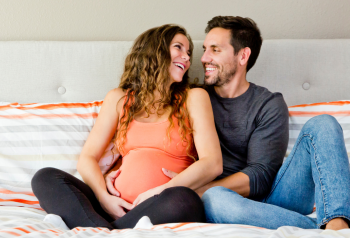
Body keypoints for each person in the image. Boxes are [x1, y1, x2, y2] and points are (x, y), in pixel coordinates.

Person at [158, 16, 350, 230]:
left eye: (215, 50)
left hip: (277, 196)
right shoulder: (194, 99)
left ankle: (338, 223)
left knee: (323, 124)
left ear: (243, 56)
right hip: (224, 203)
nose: (204, 58)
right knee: (216, 199)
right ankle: (319, 229)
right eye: (205, 49)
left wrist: (201, 190)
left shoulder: (268, 103)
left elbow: (261, 174)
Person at [31, 24, 222, 230]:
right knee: (45, 177)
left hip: (163, 204)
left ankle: (100, 230)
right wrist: (104, 197)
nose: (186, 57)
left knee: (184, 199)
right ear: (154, 51)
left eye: (189, 52)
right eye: (179, 48)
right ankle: (109, 229)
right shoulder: (119, 99)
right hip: (113, 205)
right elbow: (87, 158)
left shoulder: (194, 97)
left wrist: (161, 190)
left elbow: (212, 163)